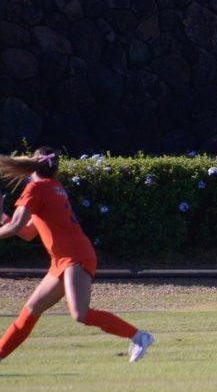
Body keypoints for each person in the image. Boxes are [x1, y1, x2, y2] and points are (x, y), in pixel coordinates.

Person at [0, 148, 154, 363]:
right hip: (64, 259)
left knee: (80, 314)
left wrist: (7, 220)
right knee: (30, 311)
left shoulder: (36, 189)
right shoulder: (53, 187)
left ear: (33, 166)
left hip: (75, 257)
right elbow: (26, 232)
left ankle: (139, 336)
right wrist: (3, 216)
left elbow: (17, 227)